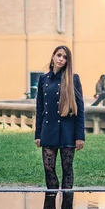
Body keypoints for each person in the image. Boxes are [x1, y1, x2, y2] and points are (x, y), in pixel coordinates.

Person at [35, 45, 85, 190]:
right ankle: (51, 202)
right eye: (59, 55)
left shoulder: (73, 79)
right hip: (48, 129)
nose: (61, 59)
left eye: (64, 57)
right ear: (53, 56)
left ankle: (67, 208)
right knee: (48, 168)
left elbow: (80, 110)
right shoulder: (43, 79)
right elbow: (39, 108)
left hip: (67, 131)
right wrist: (38, 134)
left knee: (67, 169)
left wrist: (79, 136)